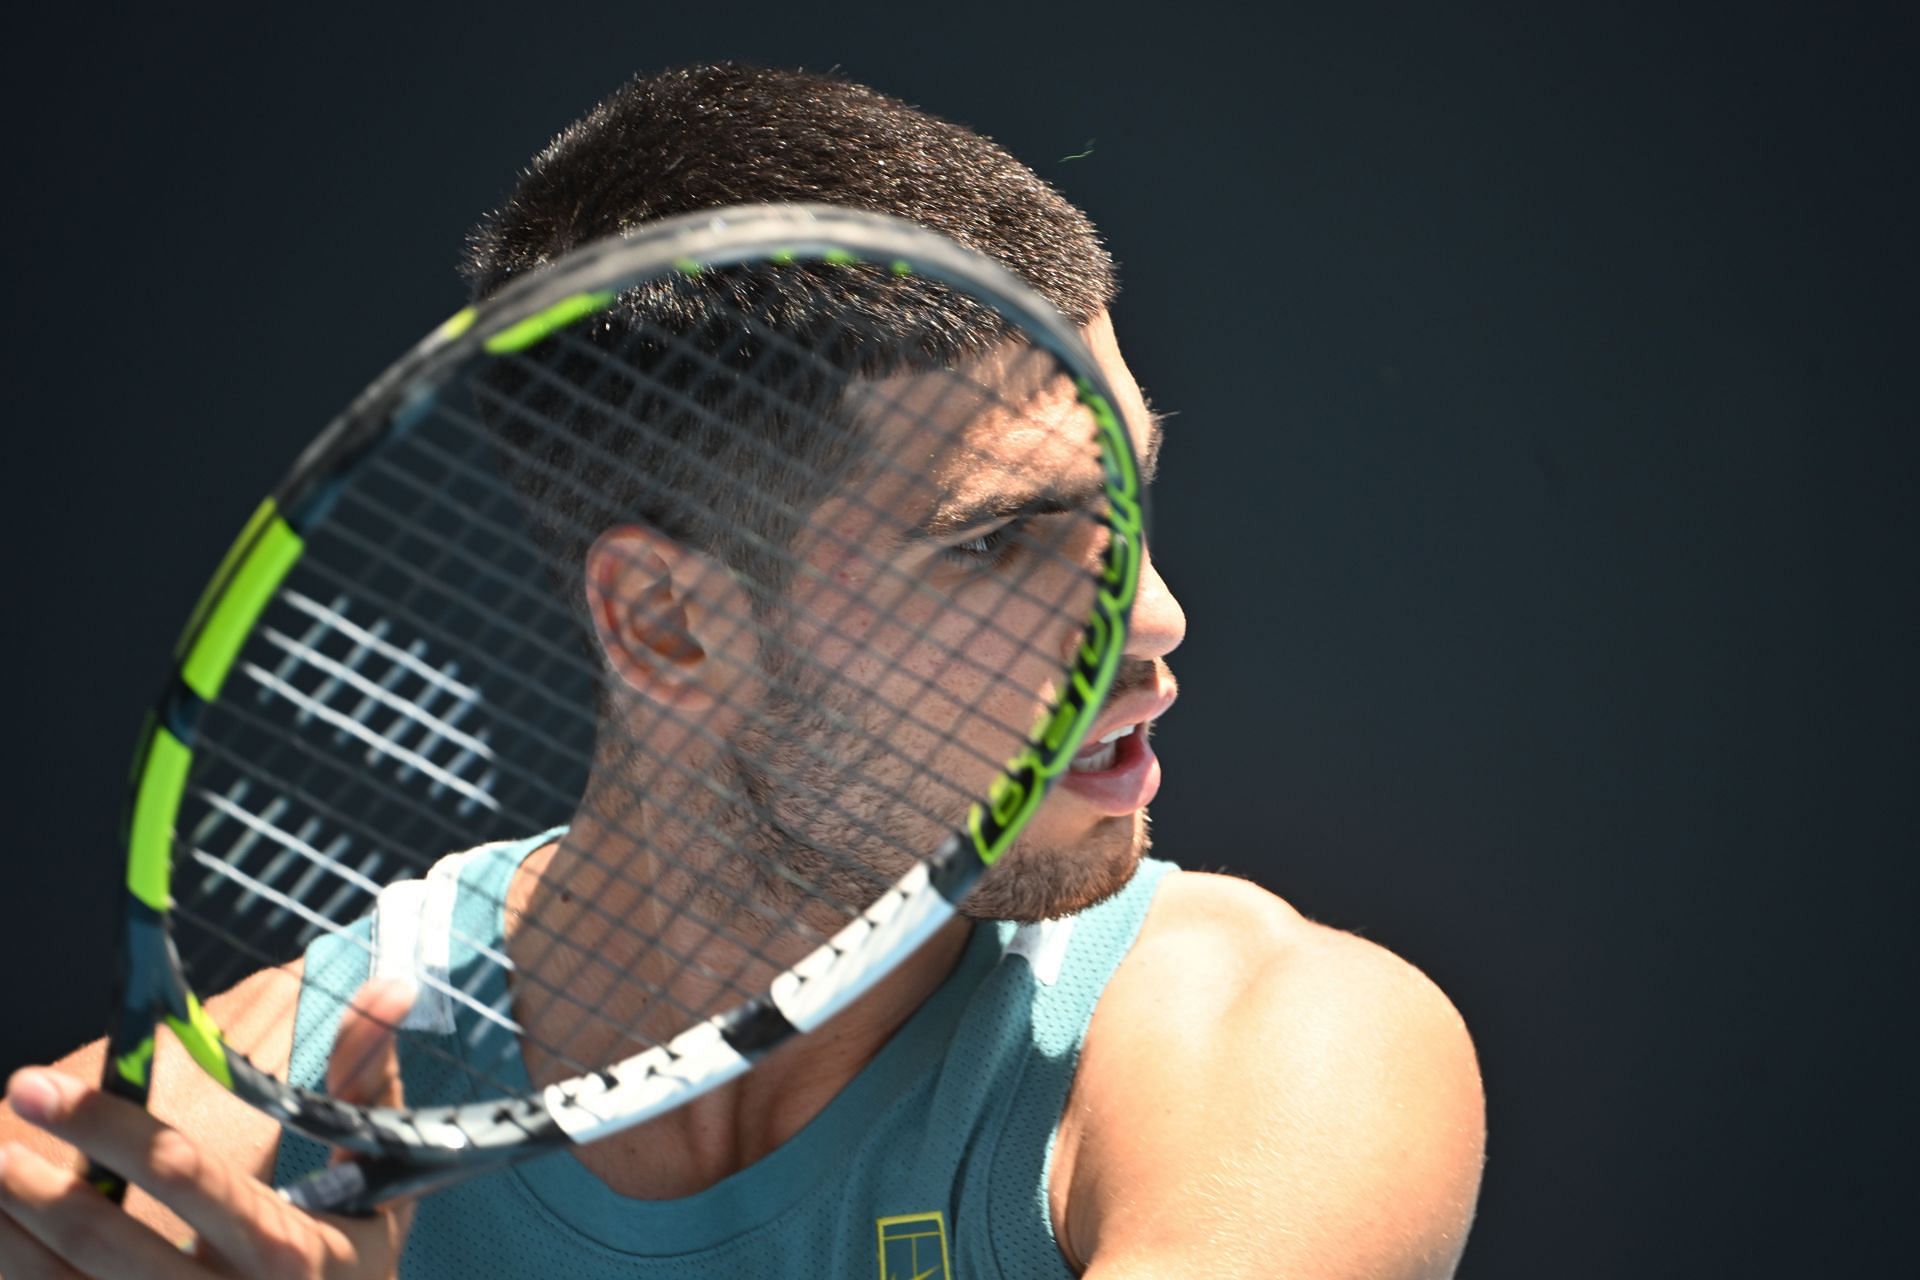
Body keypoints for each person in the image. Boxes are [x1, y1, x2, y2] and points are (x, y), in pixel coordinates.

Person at [0, 64, 1485, 1278]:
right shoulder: (230, 1125)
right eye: (1003, 543)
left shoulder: (1285, 1065)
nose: (1149, 619)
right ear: (668, 626)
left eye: (1131, 513)